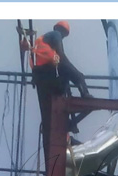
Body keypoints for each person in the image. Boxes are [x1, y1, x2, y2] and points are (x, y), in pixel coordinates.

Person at [30, 21, 91, 165]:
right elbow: (61, 56)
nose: (63, 36)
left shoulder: (43, 40)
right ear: (62, 31)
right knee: (78, 75)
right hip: (48, 69)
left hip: (43, 74)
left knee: (65, 85)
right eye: (64, 34)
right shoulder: (55, 35)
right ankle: (85, 95)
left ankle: (74, 114)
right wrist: (75, 72)